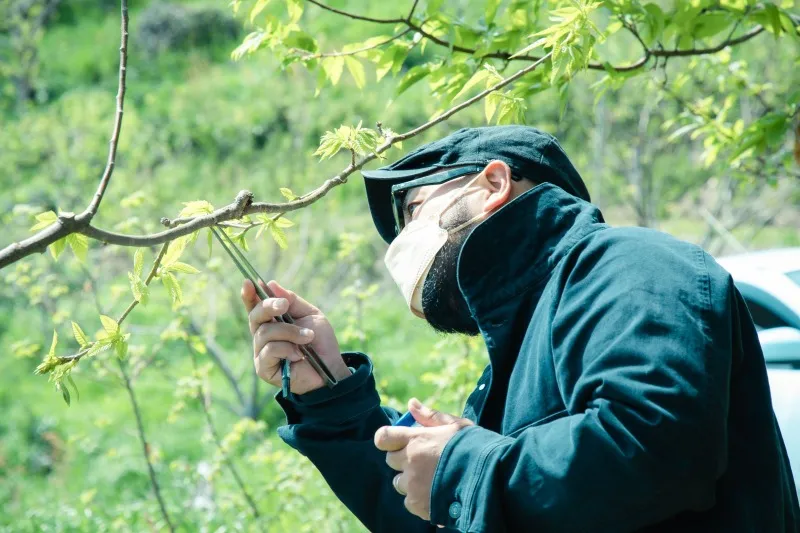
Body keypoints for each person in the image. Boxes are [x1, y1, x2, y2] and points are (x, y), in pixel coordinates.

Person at [240, 126, 799, 532]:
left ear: (493, 183)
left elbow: (655, 448)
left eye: (412, 210)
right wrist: (330, 393)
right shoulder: (508, 374)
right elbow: (454, 518)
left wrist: (462, 465)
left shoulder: (631, 265)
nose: (402, 245)